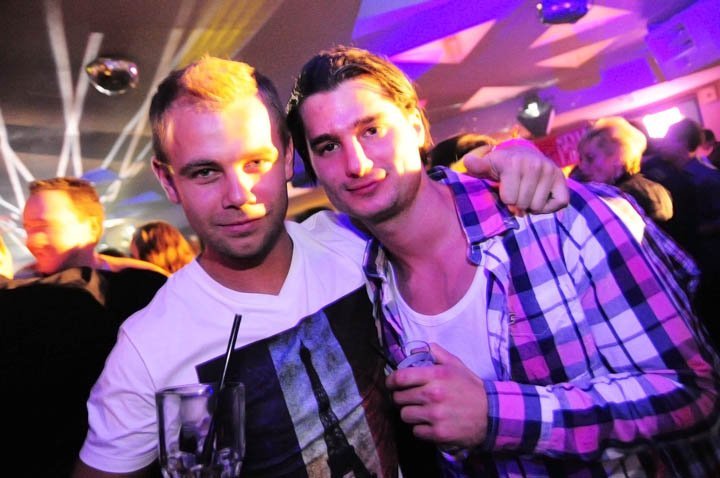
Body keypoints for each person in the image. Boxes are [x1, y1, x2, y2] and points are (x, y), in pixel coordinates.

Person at [74, 55, 568, 477]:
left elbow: (417, 194)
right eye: (205, 172)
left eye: (256, 163)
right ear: (167, 180)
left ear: (289, 156)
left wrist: (505, 162)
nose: (238, 196)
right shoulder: (148, 348)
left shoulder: (350, 241)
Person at [286, 45, 720, 476]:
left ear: (415, 125)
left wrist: (495, 415)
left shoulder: (560, 218)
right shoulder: (366, 282)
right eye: (328, 146)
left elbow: (692, 392)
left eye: (372, 130)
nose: (356, 163)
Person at [17, 177, 168, 278]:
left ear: (92, 228)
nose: (32, 241)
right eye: (29, 228)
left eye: (45, 226)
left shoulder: (144, 283)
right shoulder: (21, 284)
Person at [573, 116, 673, 222]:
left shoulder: (626, 197)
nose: (582, 166)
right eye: (581, 159)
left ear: (618, 156)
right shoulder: (643, 189)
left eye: (590, 158)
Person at [129, 220, 196, 274]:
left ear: (152, 255)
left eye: (134, 257)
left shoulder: (161, 281)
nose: (134, 262)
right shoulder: (195, 270)